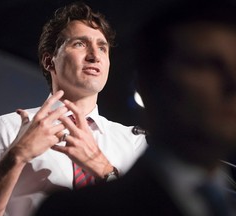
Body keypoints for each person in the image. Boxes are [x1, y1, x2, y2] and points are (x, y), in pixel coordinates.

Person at [35, 0, 236, 215]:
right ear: (149, 83)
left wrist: (103, 167)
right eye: (208, 65)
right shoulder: (72, 209)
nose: (232, 83)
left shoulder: (131, 141)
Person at [0, 2, 147, 216]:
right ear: (49, 61)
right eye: (80, 44)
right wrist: (17, 155)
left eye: (102, 47)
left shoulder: (135, 142)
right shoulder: (11, 127)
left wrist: (103, 169)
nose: (95, 55)